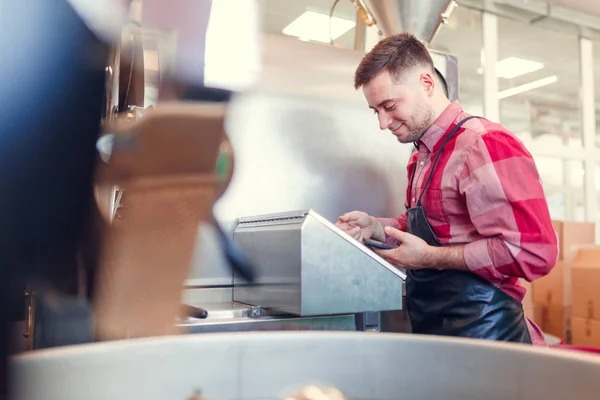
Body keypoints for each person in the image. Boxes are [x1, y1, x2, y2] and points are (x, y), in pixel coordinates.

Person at [335, 33, 558, 345]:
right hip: (438, 336)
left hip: (489, 339)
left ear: (426, 83)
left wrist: (430, 257)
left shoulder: (484, 144)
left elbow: (535, 252)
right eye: (376, 111)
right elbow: (440, 229)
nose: (383, 123)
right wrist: (376, 227)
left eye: (389, 105)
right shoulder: (420, 157)